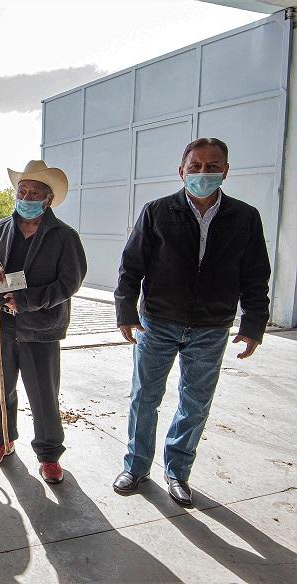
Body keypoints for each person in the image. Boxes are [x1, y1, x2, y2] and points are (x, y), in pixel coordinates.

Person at [112, 137, 271, 506]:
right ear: (181, 170)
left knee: (195, 402)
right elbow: (131, 266)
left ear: (226, 171)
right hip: (158, 321)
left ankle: (178, 472)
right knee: (145, 397)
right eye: (196, 166)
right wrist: (126, 312)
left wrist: (253, 325)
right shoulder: (157, 212)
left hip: (212, 327)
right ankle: (136, 467)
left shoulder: (245, 217)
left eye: (212, 166)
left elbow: (255, 274)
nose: (203, 172)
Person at [0, 160, 87, 484]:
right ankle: (1, 441)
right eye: (21, 191)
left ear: (47, 199)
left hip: (41, 329)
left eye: (33, 192)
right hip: (1, 324)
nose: (25, 197)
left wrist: (28, 301)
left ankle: (49, 456)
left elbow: (70, 283)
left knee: (43, 396)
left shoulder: (65, 236)